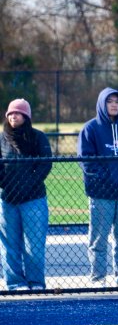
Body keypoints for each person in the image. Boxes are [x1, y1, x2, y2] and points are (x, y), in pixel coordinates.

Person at [77, 87, 118, 287]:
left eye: (117, 101)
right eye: (109, 101)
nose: (114, 105)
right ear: (102, 104)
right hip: (101, 195)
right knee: (98, 240)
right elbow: (86, 161)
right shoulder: (90, 129)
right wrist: (105, 180)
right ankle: (97, 278)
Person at [0, 99, 53, 291]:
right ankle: (15, 283)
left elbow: (45, 164)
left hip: (34, 198)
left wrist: (28, 184)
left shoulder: (38, 137)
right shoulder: (1, 138)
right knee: (10, 245)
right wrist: (7, 185)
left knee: (35, 245)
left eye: (19, 113)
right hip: (8, 200)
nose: (14, 116)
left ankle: (36, 282)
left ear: (26, 116)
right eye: (11, 113)